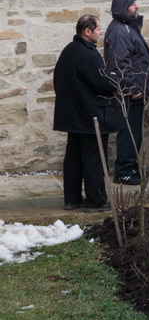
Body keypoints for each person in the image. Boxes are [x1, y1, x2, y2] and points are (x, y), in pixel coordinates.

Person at [53, 14, 116, 212]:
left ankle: (72, 199)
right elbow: (102, 85)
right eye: (98, 29)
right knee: (94, 158)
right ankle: (95, 201)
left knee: (74, 157)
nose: (101, 32)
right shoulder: (88, 54)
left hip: (73, 116)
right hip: (90, 117)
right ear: (87, 31)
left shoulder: (68, 50)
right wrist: (112, 78)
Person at [103, 0, 149, 185]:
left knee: (134, 132)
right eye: (133, 4)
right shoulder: (119, 31)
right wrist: (132, 90)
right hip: (130, 94)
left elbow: (133, 54)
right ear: (123, 8)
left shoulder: (127, 27)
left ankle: (130, 168)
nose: (137, 7)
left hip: (134, 91)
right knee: (128, 132)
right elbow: (120, 65)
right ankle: (124, 171)